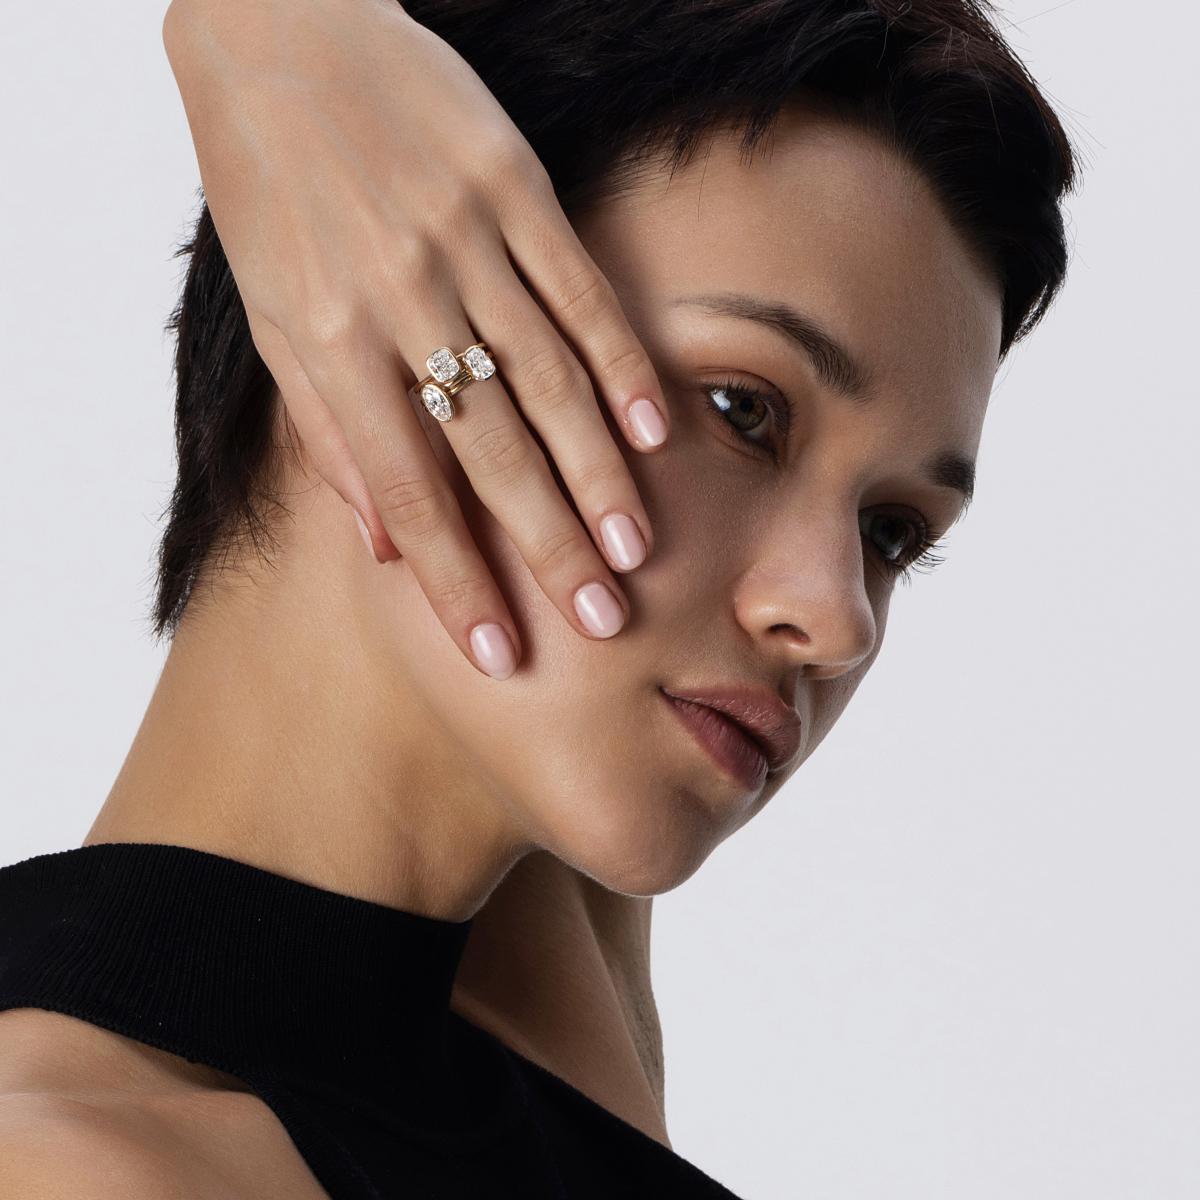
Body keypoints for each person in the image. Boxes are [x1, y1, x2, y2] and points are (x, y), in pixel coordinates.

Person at [0, 0, 1076, 1196]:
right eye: (744, 410)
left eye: (891, 531)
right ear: (361, 294)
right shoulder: (78, 1163)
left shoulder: (541, 961)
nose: (835, 619)